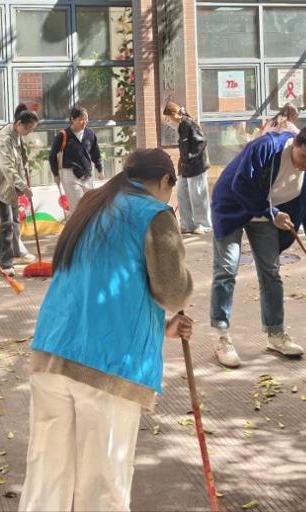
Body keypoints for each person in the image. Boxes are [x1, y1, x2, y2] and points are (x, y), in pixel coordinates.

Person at [19, 149, 193, 512]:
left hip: (52, 352)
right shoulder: (154, 214)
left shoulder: (92, 205)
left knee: (46, 478)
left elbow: (101, 285)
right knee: (103, 485)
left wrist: (162, 328)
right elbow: (173, 292)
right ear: (165, 181)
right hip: (108, 366)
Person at [209, 124, 306, 368]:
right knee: (227, 269)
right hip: (233, 206)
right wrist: (271, 212)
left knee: (271, 272)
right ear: (295, 144)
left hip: (267, 216)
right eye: (303, 157)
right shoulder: (267, 147)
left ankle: (276, 333)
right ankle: (221, 334)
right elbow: (240, 185)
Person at [0, 104, 41, 277]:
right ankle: (5, 263)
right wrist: (23, 187)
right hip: (1, 185)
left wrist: (24, 179)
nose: (29, 132)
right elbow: (8, 168)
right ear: (19, 124)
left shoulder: (18, 134)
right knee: (7, 223)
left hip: (14, 184)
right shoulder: (3, 139)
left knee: (15, 219)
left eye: (32, 129)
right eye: (28, 129)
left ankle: (17, 250)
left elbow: (20, 160)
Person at [163, 100, 212, 235]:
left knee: (198, 195)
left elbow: (201, 142)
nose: (168, 121)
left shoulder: (189, 124)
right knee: (182, 194)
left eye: (168, 117)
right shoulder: (181, 126)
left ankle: (204, 224)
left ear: (174, 114)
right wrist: (182, 164)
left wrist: (190, 157)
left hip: (197, 166)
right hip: (185, 167)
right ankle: (186, 224)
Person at [48, 106, 104, 215]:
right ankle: (78, 225)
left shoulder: (90, 134)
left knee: (90, 206)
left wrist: (100, 169)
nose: (84, 122)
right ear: (72, 119)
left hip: (87, 174)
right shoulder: (62, 135)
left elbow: (95, 153)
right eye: (81, 119)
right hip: (70, 175)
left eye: (86, 119)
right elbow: (52, 156)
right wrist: (56, 174)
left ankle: (85, 225)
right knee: (78, 208)